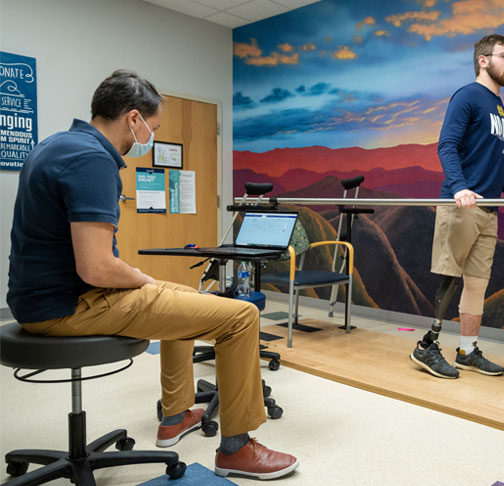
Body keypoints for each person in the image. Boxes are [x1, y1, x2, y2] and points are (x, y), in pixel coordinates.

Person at [6, 70, 298, 480]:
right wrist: (139, 279)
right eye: (153, 127)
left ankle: (176, 414)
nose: (151, 137)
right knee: (240, 316)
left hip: (37, 299)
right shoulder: (92, 159)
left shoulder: (57, 144)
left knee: (181, 296)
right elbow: (95, 268)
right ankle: (237, 447)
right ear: (133, 118)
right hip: (69, 305)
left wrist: (142, 279)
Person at [409, 34, 504, 379]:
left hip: (489, 209)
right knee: (451, 277)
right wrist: (460, 187)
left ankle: (467, 349)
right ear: (483, 60)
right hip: (461, 204)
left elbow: (493, 160)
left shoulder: (499, 107)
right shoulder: (467, 96)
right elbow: (447, 145)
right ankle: (426, 346)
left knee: (476, 284)